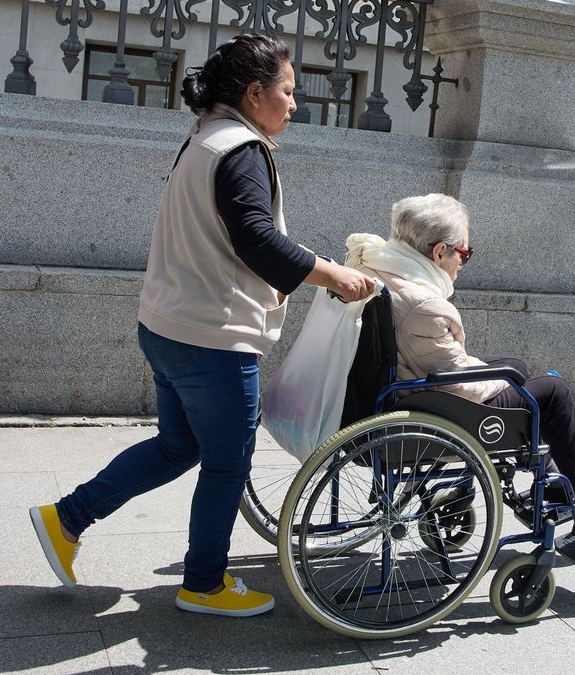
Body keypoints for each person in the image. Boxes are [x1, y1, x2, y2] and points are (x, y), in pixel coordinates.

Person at [28, 34, 374, 617]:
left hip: (168, 326)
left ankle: (66, 519)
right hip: (212, 338)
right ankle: (205, 584)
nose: (295, 105)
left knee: (178, 445)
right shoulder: (242, 148)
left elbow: (241, 235)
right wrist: (334, 278)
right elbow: (257, 242)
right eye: (288, 92)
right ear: (254, 91)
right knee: (227, 461)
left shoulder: (206, 138)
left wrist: (318, 262)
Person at [345, 194, 575, 542]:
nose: (463, 262)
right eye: (464, 253)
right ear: (439, 252)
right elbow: (460, 386)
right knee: (553, 393)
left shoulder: (375, 268)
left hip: (391, 392)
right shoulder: (425, 306)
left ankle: (557, 482)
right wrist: (505, 382)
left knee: (516, 366)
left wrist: (504, 375)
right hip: (421, 408)